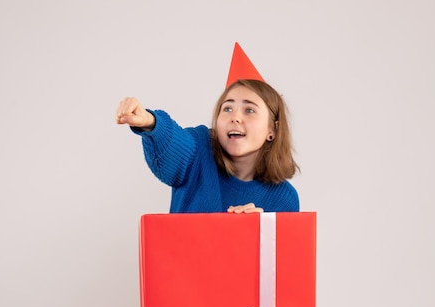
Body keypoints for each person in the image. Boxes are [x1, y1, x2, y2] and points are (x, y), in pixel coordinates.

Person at [115, 43, 299, 214]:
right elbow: (175, 145)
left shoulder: (284, 198)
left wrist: (258, 230)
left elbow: (286, 249)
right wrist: (150, 122)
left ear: (272, 130)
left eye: (249, 110)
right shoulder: (199, 151)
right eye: (227, 108)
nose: (235, 117)